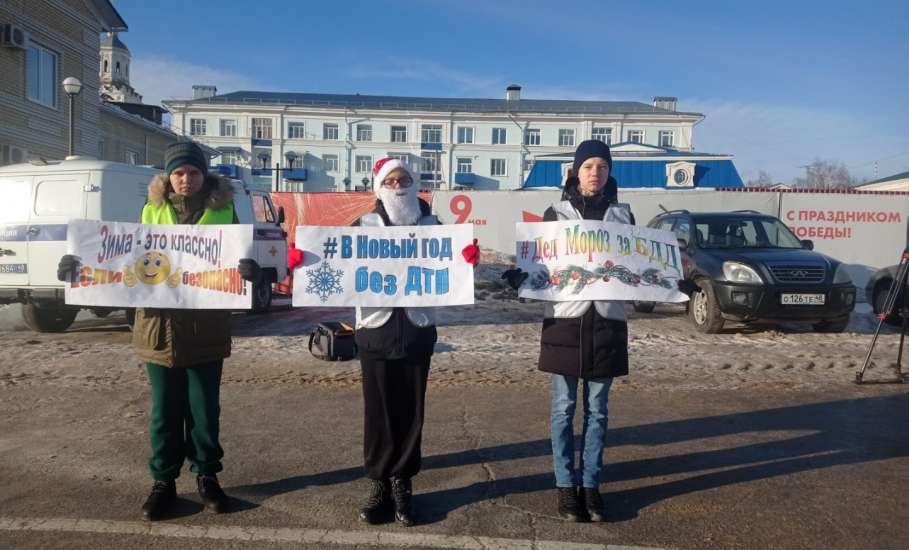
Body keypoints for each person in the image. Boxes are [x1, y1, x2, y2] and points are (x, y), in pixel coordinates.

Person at [57, 141, 263, 521]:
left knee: (204, 410)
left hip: (206, 328)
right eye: (180, 173)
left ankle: (207, 476)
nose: (187, 180)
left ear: (205, 176)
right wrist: (78, 265)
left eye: (194, 173)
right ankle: (163, 481)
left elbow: (239, 260)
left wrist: (248, 268)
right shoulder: (150, 211)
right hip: (157, 328)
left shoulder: (225, 213)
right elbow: (120, 259)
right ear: (169, 177)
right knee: (164, 412)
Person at [341, 157, 477, 526]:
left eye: (404, 179)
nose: (398, 184)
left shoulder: (434, 225)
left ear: (414, 184)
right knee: (378, 412)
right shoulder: (364, 225)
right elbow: (335, 265)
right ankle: (379, 483)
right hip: (375, 330)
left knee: (412, 413)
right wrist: (303, 261)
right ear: (379, 186)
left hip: (417, 330)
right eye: (391, 179)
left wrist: (468, 261)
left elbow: (453, 266)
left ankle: (402, 481)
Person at [502, 140, 632, 522]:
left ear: (609, 173)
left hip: (607, 322)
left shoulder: (623, 215)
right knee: (563, 409)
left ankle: (591, 485)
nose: (595, 172)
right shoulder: (555, 213)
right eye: (588, 165)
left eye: (602, 167)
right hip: (565, 321)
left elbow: (638, 264)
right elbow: (539, 262)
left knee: (599, 412)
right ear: (575, 171)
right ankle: (565, 486)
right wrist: (521, 278)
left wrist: (673, 283)